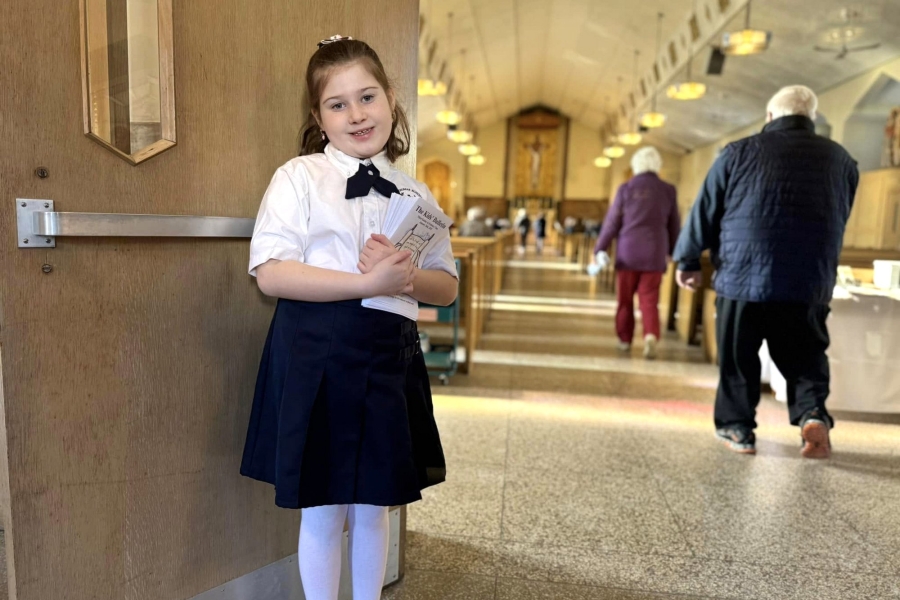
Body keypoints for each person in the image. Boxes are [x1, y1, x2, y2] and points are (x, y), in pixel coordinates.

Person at [240, 36, 458, 600]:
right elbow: (271, 273)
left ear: (391, 99)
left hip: (388, 355)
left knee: (374, 504)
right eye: (337, 104)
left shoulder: (415, 191)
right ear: (319, 118)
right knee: (323, 505)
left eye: (367, 97)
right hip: (316, 354)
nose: (357, 114)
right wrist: (366, 284)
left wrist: (405, 277)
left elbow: (447, 286)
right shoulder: (298, 177)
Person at [672, 85, 858, 458]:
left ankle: (738, 428)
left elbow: (706, 209)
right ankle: (812, 413)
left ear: (770, 116)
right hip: (807, 279)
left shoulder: (739, 152)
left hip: (742, 277)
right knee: (805, 357)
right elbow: (841, 214)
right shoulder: (841, 160)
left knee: (738, 358)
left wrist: (689, 260)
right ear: (812, 117)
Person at [594, 146, 680, 359]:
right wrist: (673, 251)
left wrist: (600, 247)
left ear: (635, 165)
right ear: (658, 165)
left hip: (628, 253)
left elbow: (612, 222)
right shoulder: (668, 190)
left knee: (625, 300)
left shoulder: (626, 188)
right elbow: (674, 225)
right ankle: (650, 335)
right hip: (655, 253)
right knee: (649, 299)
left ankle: (624, 339)